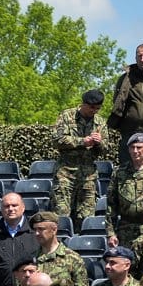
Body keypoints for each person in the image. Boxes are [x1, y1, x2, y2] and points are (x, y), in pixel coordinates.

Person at [51, 89, 107, 230]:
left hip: (88, 175)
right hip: (66, 173)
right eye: (91, 108)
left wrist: (100, 142)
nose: (94, 111)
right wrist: (82, 142)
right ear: (83, 104)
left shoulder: (100, 122)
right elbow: (57, 140)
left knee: (87, 217)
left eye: (98, 109)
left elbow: (106, 149)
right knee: (61, 214)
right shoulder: (66, 116)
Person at [30, 211, 90, 286]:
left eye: (41, 229)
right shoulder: (30, 259)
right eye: (35, 230)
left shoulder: (72, 259)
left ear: (54, 230)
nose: (37, 233)